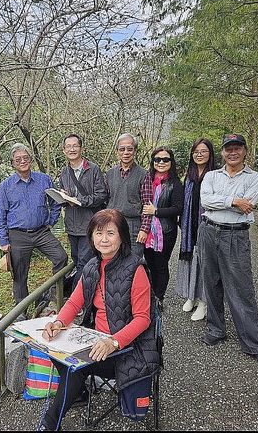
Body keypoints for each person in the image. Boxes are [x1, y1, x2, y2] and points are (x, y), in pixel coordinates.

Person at [39, 209, 161, 431]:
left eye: (110, 233)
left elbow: (143, 319)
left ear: (122, 237)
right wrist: (58, 323)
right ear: (91, 237)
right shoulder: (92, 266)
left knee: (74, 369)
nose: (104, 239)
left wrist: (113, 342)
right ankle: (77, 392)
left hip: (128, 349)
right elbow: (74, 302)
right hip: (96, 341)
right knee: (53, 347)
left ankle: (49, 424)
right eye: (98, 233)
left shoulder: (136, 270)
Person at [198, 133, 258, 370]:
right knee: (211, 282)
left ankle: (253, 344)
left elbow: (248, 206)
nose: (232, 153)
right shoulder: (211, 175)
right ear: (222, 152)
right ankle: (216, 329)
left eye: (237, 148)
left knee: (241, 288)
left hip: (236, 235)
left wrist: (225, 201)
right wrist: (234, 201)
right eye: (228, 149)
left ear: (244, 151)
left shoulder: (255, 177)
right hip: (208, 230)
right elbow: (206, 201)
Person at [0, 143, 68, 314]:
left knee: (61, 257)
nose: (22, 161)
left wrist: (51, 221)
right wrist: (3, 240)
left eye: (25, 158)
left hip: (41, 231)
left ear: (31, 160)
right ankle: (21, 311)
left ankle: (52, 296)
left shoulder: (44, 180)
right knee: (20, 274)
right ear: (12, 163)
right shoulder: (6, 186)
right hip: (18, 235)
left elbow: (56, 202)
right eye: (18, 159)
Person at [58, 133, 107, 296]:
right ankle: (87, 294)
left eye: (75, 146)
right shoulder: (64, 172)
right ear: (64, 150)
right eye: (68, 146)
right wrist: (63, 197)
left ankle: (76, 299)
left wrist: (80, 201)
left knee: (84, 263)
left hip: (89, 224)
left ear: (81, 148)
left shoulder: (93, 169)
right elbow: (65, 198)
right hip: (72, 226)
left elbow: (101, 195)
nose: (72, 149)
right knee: (77, 260)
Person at [174, 138, 216, 321]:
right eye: (196, 151)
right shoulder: (189, 176)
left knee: (205, 262)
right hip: (189, 225)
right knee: (191, 259)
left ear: (210, 154)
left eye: (203, 151)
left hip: (207, 225)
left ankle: (204, 302)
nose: (199, 155)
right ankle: (192, 295)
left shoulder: (215, 175)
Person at [141, 147, 183, 310]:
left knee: (161, 265)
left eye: (165, 159)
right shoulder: (147, 180)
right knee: (149, 263)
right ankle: (150, 293)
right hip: (146, 230)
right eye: (157, 159)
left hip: (165, 232)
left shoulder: (175, 183)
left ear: (171, 162)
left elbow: (178, 208)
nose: (161, 162)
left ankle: (159, 297)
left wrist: (156, 211)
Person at [105, 133, 152, 257]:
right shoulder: (110, 174)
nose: (126, 152)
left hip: (134, 225)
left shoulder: (143, 174)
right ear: (117, 151)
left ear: (135, 151)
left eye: (129, 149)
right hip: (113, 223)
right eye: (122, 149)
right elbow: (104, 199)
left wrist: (144, 229)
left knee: (133, 260)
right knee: (113, 258)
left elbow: (147, 205)